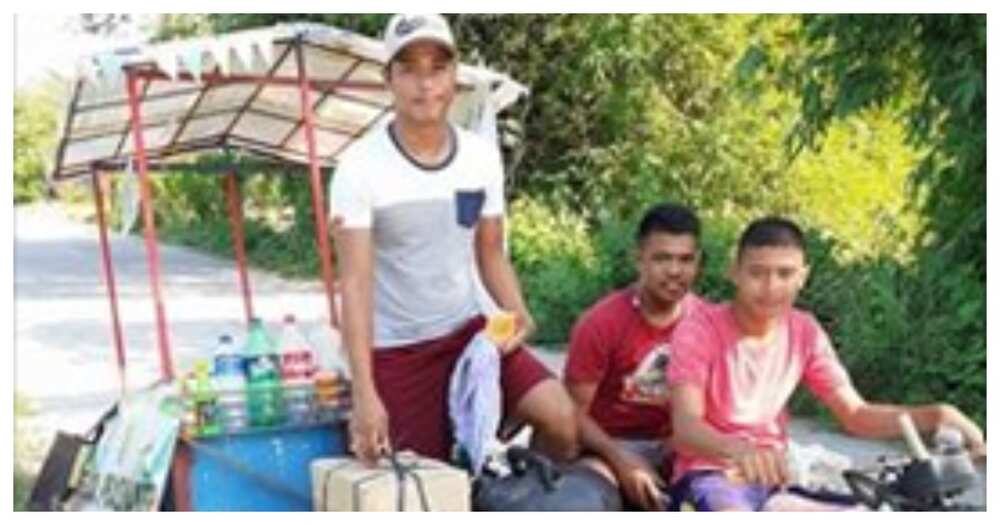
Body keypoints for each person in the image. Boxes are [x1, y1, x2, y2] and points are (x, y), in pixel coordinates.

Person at [330, 13, 578, 467]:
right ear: (389, 79)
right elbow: (355, 285)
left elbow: (490, 251)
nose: (425, 84)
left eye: (437, 68)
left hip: (469, 336)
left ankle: (516, 497)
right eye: (409, 69)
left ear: (454, 75)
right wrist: (364, 394)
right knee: (429, 481)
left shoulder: (479, 158)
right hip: (398, 353)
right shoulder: (359, 168)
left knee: (561, 419)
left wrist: (516, 310)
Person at [667, 216, 987, 511]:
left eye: (785, 273)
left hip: (780, 478)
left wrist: (937, 415)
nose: (771, 287)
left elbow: (856, 415)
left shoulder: (804, 330)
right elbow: (686, 427)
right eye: (757, 273)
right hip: (712, 475)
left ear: (803, 277)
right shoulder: (699, 330)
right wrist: (742, 452)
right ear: (734, 271)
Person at [564, 203, 710, 510]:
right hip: (605, 446)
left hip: (679, 448)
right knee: (584, 499)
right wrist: (621, 460)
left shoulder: (709, 324)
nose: (674, 271)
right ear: (639, 260)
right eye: (662, 258)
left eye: (685, 259)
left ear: (697, 263)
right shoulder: (601, 323)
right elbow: (572, 414)